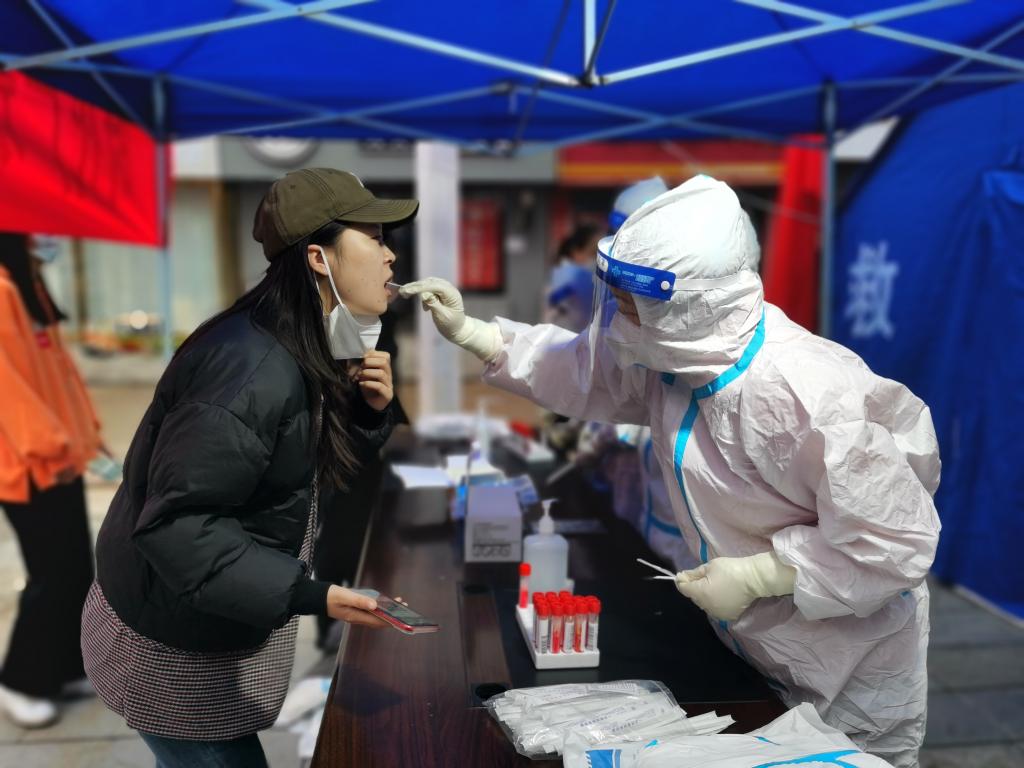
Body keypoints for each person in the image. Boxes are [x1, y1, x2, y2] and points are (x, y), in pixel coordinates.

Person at [402, 175, 940, 768]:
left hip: (847, 663)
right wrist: (479, 335)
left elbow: (893, 541)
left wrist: (762, 574)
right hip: (750, 647)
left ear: (688, 305)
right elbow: (585, 370)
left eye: (633, 302)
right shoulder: (678, 360)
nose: (619, 318)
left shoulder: (803, 391)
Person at [82, 168, 414, 767]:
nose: (391, 256)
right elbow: (177, 525)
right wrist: (310, 594)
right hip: (171, 649)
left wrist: (367, 414)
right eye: (373, 238)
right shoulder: (249, 367)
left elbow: (293, 477)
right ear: (318, 258)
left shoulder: (303, 342)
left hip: (205, 620)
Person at [0, 233, 101, 727]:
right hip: (27, 463)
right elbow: (7, 388)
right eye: (33, 232)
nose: (45, 239)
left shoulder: (29, 285)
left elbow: (59, 373)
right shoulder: (2, 290)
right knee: (51, 572)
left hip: (62, 456)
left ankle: (63, 667)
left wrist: (86, 434)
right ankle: (20, 680)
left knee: (76, 567)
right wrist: (52, 444)